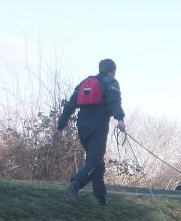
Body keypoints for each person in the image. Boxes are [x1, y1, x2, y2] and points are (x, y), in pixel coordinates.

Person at [52, 58, 126, 206]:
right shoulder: (111, 82)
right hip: (98, 125)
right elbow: (114, 100)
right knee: (94, 161)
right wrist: (120, 119)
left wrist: (60, 127)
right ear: (113, 71)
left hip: (82, 125)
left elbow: (70, 106)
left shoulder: (84, 83)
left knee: (97, 162)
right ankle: (75, 185)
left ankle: (100, 199)